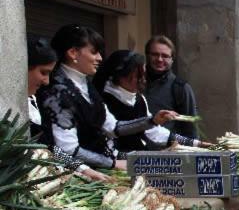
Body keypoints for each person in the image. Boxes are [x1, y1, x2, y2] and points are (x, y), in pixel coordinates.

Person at [36, 25, 177, 171]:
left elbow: (113, 127)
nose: (99, 58)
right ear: (73, 53)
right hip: (82, 172)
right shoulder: (57, 92)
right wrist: (112, 164)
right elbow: (68, 150)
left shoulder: (87, 85)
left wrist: (152, 121)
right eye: (94, 52)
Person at [26, 37, 109, 182]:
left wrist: (82, 168)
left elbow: (48, 147)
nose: (46, 81)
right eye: (43, 73)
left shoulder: (31, 102)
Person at [95, 50, 206, 154]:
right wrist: (152, 122)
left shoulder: (140, 100)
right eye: (139, 75)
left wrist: (196, 144)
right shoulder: (102, 100)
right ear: (121, 76)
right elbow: (114, 130)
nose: (143, 79)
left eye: (144, 74)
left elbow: (153, 132)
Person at [144, 35, 199, 139]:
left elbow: (191, 128)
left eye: (165, 56)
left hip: (167, 152)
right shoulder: (135, 83)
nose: (159, 59)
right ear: (147, 55)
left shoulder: (181, 88)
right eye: (155, 54)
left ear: (172, 59)